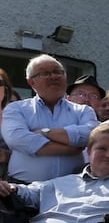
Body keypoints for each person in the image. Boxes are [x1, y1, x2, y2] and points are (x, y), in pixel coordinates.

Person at [1, 54, 97, 183]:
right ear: (31, 82)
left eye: (58, 72)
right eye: (46, 73)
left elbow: (90, 135)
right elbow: (17, 139)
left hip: (72, 190)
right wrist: (70, 148)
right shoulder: (16, 109)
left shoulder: (83, 110)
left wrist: (45, 133)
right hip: (24, 188)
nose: (54, 76)